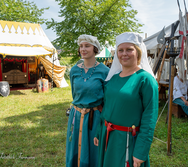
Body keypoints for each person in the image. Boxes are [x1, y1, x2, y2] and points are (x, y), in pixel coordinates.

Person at [94, 32, 158, 167]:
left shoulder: (145, 79)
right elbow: (107, 109)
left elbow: (149, 118)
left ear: (138, 53)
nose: (124, 54)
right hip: (108, 136)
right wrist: (100, 132)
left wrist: (141, 151)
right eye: (121, 50)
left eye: (129, 49)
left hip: (128, 141)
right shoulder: (114, 78)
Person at [66, 34, 109, 167]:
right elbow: (75, 95)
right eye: (81, 46)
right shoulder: (74, 70)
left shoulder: (105, 71)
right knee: (74, 149)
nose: (83, 49)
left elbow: (107, 99)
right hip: (76, 116)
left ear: (95, 48)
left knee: (93, 150)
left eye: (87, 46)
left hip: (94, 117)